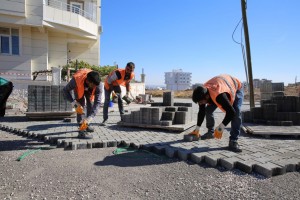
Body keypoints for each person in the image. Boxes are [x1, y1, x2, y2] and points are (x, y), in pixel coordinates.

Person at [190, 74, 244, 152]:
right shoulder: (202, 92)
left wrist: (221, 127)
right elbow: (201, 111)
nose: (200, 104)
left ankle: (233, 141)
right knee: (207, 110)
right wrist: (197, 129)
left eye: (201, 102)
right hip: (219, 86)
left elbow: (231, 112)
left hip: (236, 86)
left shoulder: (220, 96)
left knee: (236, 112)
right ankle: (210, 133)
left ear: (207, 97)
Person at [63, 69, 102, 138]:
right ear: (88, 81)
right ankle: (81, 131)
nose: (95, 87)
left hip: (88, 90)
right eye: (93, 85)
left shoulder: (98, 84)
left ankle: (87, 124)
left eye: (96, 86)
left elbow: (97, 103)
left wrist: (90, 117)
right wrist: (74, 103)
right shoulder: (76, 80)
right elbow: (65, 91)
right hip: (79, 88)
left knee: (90, 104)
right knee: (80, 105)